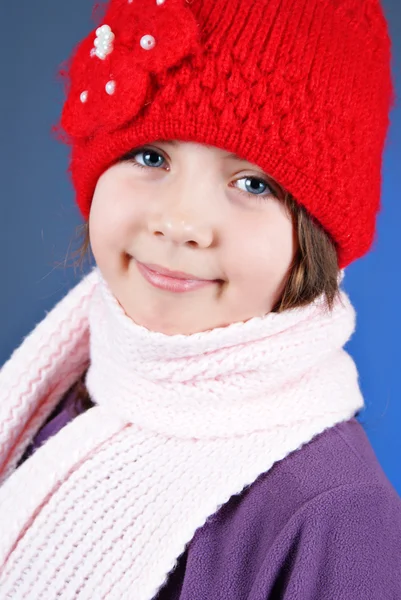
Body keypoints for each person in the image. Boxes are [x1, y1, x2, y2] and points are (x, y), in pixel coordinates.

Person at [0, 0, 400, 598]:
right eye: (151, 156)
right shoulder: (65, 393)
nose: (182, 222)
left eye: (253, 183)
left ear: (316, 235)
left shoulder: (334, 513)